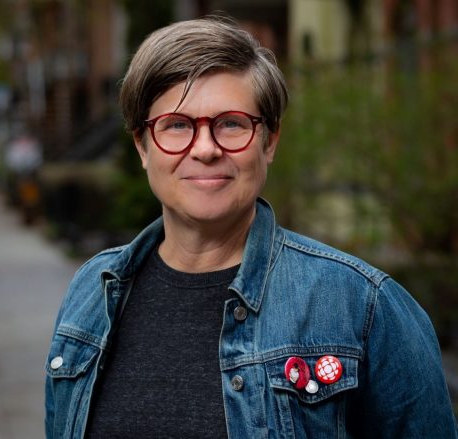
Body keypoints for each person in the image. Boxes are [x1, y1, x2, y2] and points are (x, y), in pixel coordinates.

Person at [44, 15, 458, 438]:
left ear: (270, 141)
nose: (205, 149)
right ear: (143, 146)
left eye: (231, 124)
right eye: (177, 125)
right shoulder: (91, 294)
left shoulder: (363, 307)